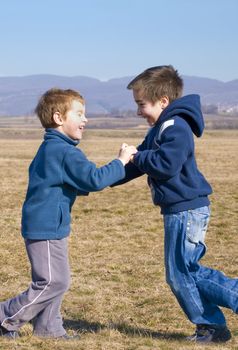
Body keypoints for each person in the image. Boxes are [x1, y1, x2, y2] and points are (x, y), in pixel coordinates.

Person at [112, 65, 238, 343]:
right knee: (183, 273)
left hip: (186, 211)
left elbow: (165, 165)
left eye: (141, 104)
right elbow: (141, 161)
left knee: (182, 274)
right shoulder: (161, 127)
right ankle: (211, 327)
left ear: (163, 101)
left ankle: (212, 324)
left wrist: (134, 158)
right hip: (180, 210)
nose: (137, 111)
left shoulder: (176, 126)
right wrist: (105, 176)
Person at [0, 88, 137, 340]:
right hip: (46, 227)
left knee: (53, 279)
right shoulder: (64, 151)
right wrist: (120, 161)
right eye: (80, 113)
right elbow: (93, 179)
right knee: (54, 282)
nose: (86, 119)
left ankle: (49, 328)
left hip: (48, 225)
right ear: (58, 118)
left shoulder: (50, 148)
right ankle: (5, 318)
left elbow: (60, 183)